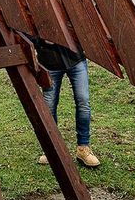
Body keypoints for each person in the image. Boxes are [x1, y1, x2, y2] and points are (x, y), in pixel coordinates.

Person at [34, 38, 100, 168]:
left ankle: (83, 148)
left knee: (83, 101)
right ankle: (51, 150)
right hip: (50, 62)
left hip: (75, 58)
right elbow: (25, 30)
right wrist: (40, 39)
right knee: (49, 105)